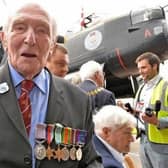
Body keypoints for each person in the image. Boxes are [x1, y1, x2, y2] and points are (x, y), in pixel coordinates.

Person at [0, 3, 103, 168]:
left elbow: (89, 160)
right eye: (20, 28)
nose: (30, 39)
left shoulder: (79, 101)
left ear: (52, 45)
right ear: (4, 39)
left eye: (42, 30)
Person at [133, 52, 168, 168]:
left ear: (155, 66)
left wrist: (157, 121)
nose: (140, 71)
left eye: (143, 67)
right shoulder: (142, 87)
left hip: (162, 146)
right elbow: (140, 109)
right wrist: (132, 112)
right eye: (139, 68)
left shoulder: (165, 86)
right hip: (143, 140)